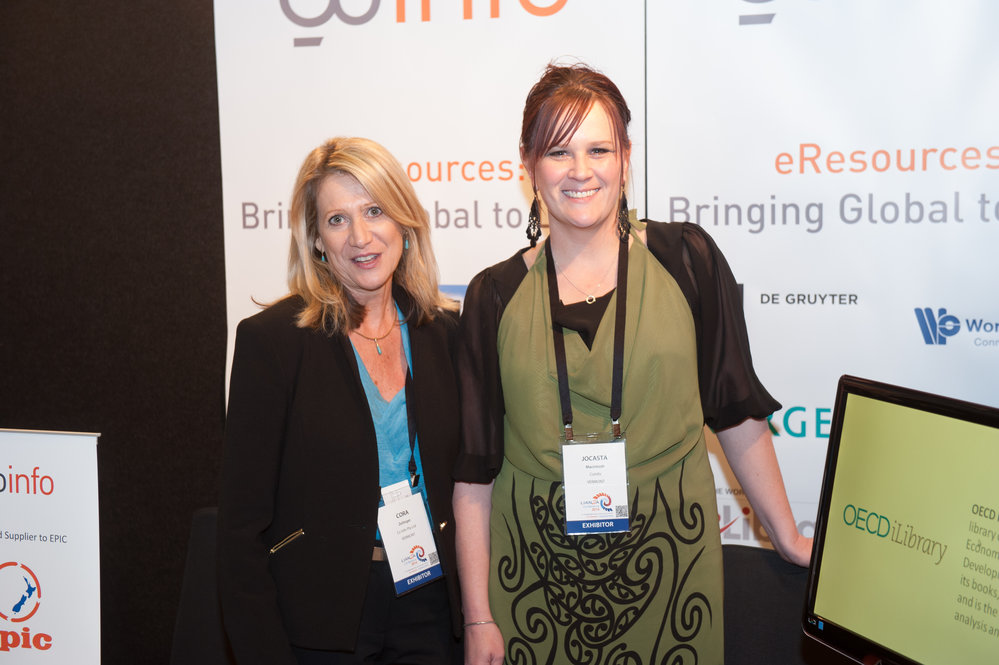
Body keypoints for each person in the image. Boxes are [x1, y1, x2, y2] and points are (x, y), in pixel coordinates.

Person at [452, 63, 812, 665]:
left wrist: (788, 535)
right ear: (528, 164)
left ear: (625, 157)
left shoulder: (688, 260)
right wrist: (478, 617)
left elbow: (735, 411)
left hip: (673, 573)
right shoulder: (492, 296)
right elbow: (474, 473)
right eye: (558, 151)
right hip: (533, 583)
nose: (581, 170)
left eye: (599, 149)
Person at [218, 137, 462, 665]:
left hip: (431, 608)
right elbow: (240, 529)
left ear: (404, 221)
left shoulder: (446, 335)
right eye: (337, 220)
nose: (361, 237)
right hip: (319, 618)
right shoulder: (274, 343)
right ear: (316, 239)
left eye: (375, 211)